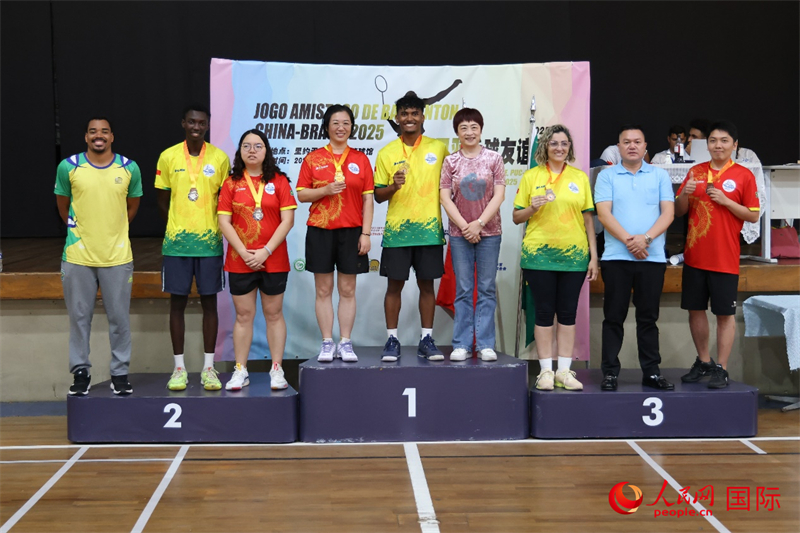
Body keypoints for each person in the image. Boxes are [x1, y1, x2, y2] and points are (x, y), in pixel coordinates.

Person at [55, 117, 142, 396]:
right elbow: (63, 206)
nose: (98, 136)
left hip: (117, 257)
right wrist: (79, 231)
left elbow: (132, 207)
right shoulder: (69, 166)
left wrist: (114, 230)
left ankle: (119, 373)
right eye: (93, 132)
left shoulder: (129, 168)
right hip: (77, 257)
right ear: (86, 137)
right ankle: (81, 373)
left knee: (119, 320)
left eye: (104, 131)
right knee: (79, 319)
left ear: (112, 136)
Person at [513, 124, 598, 391]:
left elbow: (588, 219)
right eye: (553, 143)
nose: (559, 148)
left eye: (564, 143)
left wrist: (593, 257)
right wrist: (532, 207)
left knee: (568, 313)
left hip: (574, 257)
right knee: (544, 312)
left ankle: (564, 371)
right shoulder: (532, 176)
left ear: (569, 147)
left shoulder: (579, 177)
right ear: (545, 147)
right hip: (539, 256)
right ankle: (545, 372)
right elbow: (516, 217)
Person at [675, 121, 759, 389]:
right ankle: (703, 361)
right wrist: (684, 195)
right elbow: (679, 211)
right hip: (694, 256)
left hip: (725, 257)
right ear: (707, 144)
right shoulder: (695, 171)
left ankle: (721, 368)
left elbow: (753, 215)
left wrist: (726, 201)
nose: (718, 145)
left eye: (724, 141)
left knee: (724, 314)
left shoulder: (744, 175)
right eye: (713, 140)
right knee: (695, 310)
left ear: (735, 145)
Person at [156, 104, 231, 392]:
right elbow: (162, 200)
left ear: (207, 125)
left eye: (201, 122)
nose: (196, 126)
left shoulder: (220, 158)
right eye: (191, 122)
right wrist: (179, 227)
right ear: (183, 123)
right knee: (177, 305)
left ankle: (209, 368)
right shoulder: (168, 156)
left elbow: (224, 202)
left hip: (210, 245)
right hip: (177, 246)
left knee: (210, 304)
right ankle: (179, 369)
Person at [595, 125, 676, 391]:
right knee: (613, 317)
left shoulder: (659, 175)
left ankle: (651, 372)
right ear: (618, 147)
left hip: (652, 258)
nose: (632, 146)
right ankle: (609, 373)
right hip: (616, 258)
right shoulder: (607, 176)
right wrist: (632, 242)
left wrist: (646, 239)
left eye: (637, 142)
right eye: (626, 142)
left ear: (645, 146)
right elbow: (604, 214)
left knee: (648, 318)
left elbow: (668, 214)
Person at [217, 129, 296, 390]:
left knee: (274, 314)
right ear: (239, 151)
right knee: (243, 315)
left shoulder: (279, 181)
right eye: (247, 146)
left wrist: (265, 251)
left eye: (258, 146)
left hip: (274, 259)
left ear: (266, 151)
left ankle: (277, 369)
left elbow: (288, 220)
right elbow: (224, 222)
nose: (252, 150)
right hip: (240, 260)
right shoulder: (231, 183)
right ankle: (241, 370)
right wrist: (243, 252)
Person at [296, 105, 375, 363]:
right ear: (327, 127)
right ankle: (327, 342)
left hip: (352, 231)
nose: (341, 127)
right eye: (335, 123)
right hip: (320, 230)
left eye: (346, 123)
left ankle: (346, 342)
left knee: (348, 289)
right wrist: (325, 190)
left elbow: (368, 200)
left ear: (352, 127)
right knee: (323, 289)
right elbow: (301, 194)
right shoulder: (313, 158)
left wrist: (365, 233)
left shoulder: (361, 159)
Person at [374, 93, 449, 362]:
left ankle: (426, 339)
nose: (409, 118)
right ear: (397, 118)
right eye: (404, 113)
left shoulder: (439, 149)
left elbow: (450, 186)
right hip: (397, 234)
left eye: (414, 113)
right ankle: (392, 340)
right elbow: (377, 195)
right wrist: (393, 186)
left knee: (427, 287)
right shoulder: (386, 152)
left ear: (422, 117)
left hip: (429, 232)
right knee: (393, 287)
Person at [439, 108, 505, 362]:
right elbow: (445, 197)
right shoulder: (451, 161)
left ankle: (486, 344)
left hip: (490, 233)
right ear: (457, 132)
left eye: (474, 127)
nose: (469, 132)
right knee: (464, 289)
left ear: (481, 129)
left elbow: (499, 195)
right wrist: (466, 227)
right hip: (459, 235)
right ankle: (462, 344)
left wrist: (479, 223)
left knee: (486, 289)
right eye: (463, 128)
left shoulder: (494, 158)